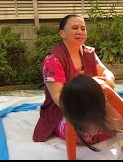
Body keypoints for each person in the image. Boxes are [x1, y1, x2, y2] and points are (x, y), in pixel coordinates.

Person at [33, 14, 115, 143]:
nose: (80, 32)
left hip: (93, 105)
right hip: (65, 111)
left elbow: (106, 72)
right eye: (75, 28)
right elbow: (58, 98)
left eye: (83, 28)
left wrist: (109, 80)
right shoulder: (53, 59)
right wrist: (84, 110)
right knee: (85, 134)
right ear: (62, 33)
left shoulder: (88, 53)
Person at [60, 74, 123, 159]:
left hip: (103, 100)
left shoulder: (106, 92)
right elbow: (70, 134)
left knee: (118, 122)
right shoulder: (72, 108)